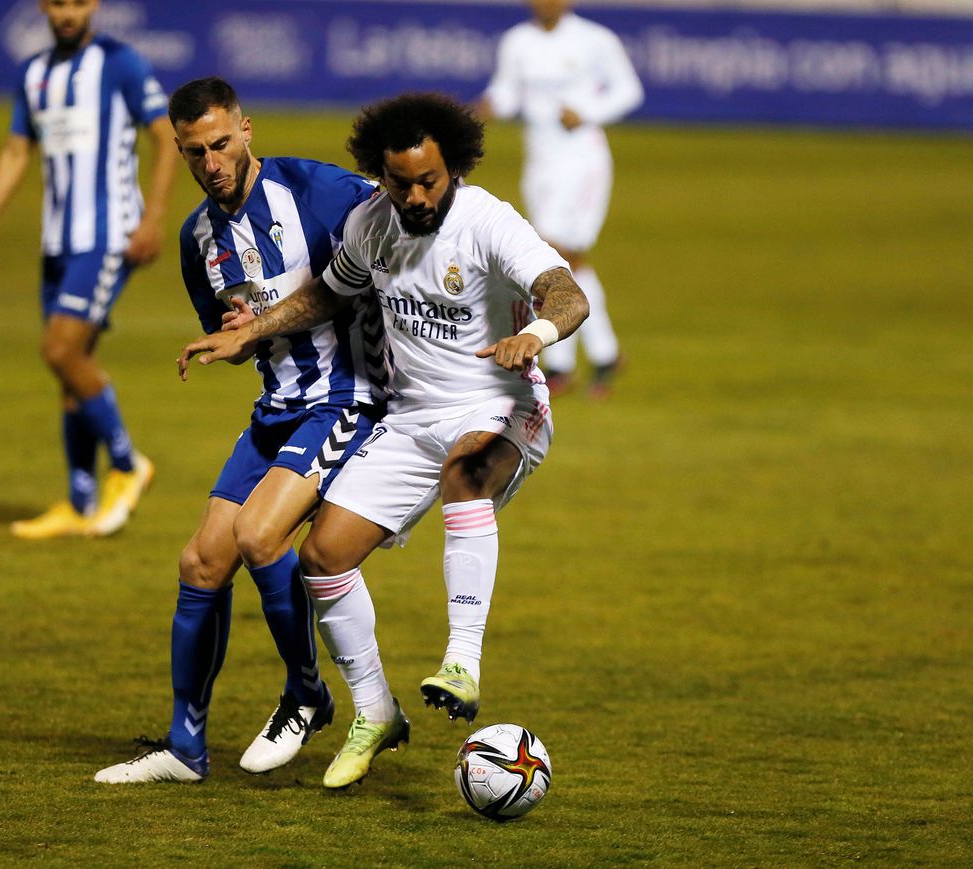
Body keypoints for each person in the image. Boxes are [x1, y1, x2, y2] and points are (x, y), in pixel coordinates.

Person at [181, 92, 589, 789]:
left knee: (466, 473)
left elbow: (567, 294)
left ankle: (462, 661)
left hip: (501, 405)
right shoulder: (372, 223)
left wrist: (536, 334)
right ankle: (375, 710)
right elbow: (329, 293)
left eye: (429, 180)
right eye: (402, 182)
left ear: (451, 168)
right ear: (383, 174)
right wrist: (253, 328)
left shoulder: (487, 220)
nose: (417, 194)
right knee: (321, 554)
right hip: (409, 419)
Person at [94, 77, 385, 784]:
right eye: (195, 152)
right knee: (200, 563)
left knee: (260, 536)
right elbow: (242, 333)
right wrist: (237, 338)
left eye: (221, 143)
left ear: (247, 131)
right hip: (277, 409)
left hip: (346, 395)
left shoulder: (319, 192)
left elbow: (405, 227)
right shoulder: (199, 239)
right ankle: (185, 747)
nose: (212, 161)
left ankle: (308, 693)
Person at [0, 0, 177, 538]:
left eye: (77, 2)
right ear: (44, 7)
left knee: (60, 350)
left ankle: (127, 465)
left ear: (93, 5)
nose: (67, 12)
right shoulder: (34, 73)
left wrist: (153, 217)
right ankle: (81, 504)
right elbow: (15, 151)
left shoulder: (120, 62)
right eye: (57, 3)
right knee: (70, 369)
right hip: (57, 242)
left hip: (107, 237)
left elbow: (165, 136)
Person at [479, 0, 642, 397]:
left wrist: (588, 111)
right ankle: (597, 358)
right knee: (557, 259)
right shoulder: (517, 41)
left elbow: (629, 90)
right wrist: (486, 108)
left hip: (582, 159)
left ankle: (568, 363)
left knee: (565, 255)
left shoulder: (594, 39)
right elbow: (507, 92)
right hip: (540, 161)